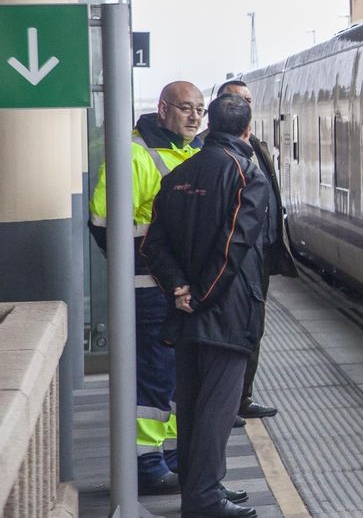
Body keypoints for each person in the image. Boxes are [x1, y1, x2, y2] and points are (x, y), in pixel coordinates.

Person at [141, 93, 265, 518]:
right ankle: (206, 499)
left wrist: (179, 289)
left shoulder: (179, 173)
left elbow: (153, 244)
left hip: (186, 311)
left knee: (191, 406)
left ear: (210, 124)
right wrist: (203, 295)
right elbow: (234, 246)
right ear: (246, 130)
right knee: (217, 409)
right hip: (225, 313)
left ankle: (198, 494)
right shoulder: (246, 174)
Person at [89, 81, 204, 493]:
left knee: (173, 376)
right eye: (185, 108)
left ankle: (168, 454)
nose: (193, 117)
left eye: (199, 110)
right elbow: (103, 224)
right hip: (147, 286)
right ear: (163, 109)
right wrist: (141, 267)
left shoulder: (191, 153)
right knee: (153, 376)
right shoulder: (135, 153)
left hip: (177, 288)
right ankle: (145, 463)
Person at [209, 79, 297, 421]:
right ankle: (226, 402)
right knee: (230, 331)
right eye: (235, 99)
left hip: (259, 255)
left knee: (253, 328)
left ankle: (242, 397)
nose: (243, 104)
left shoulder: (256, 147)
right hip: (233, 257)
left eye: (247, 99)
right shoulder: (213, 152)